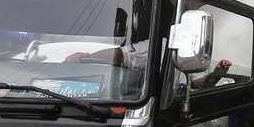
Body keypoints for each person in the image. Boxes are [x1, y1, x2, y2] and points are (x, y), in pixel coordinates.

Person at [64, 42, 230, 88]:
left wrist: (218, 72)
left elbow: (196, 83)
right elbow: (122, 55)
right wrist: (86, 57)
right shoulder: (160, 45)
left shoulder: (194, 56)